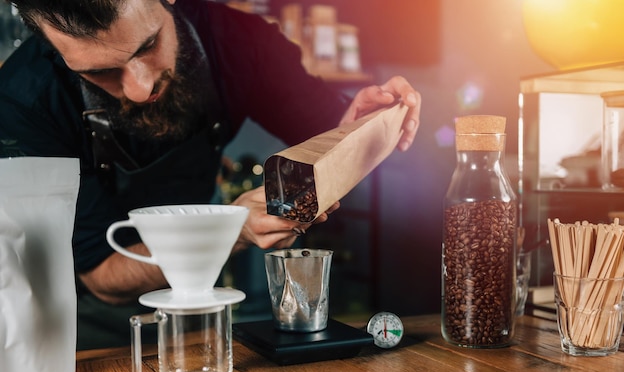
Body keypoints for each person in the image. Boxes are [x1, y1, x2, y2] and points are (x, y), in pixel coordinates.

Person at [0, 0, 421, 349]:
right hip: (87, 329)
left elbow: (328, 134)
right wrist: (230, 229)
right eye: (99, 72)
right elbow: (104, 276)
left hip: (200, 294)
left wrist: (360, 128)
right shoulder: (26, 101)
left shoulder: (236, 41)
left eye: (148, 45)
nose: (140, 88)